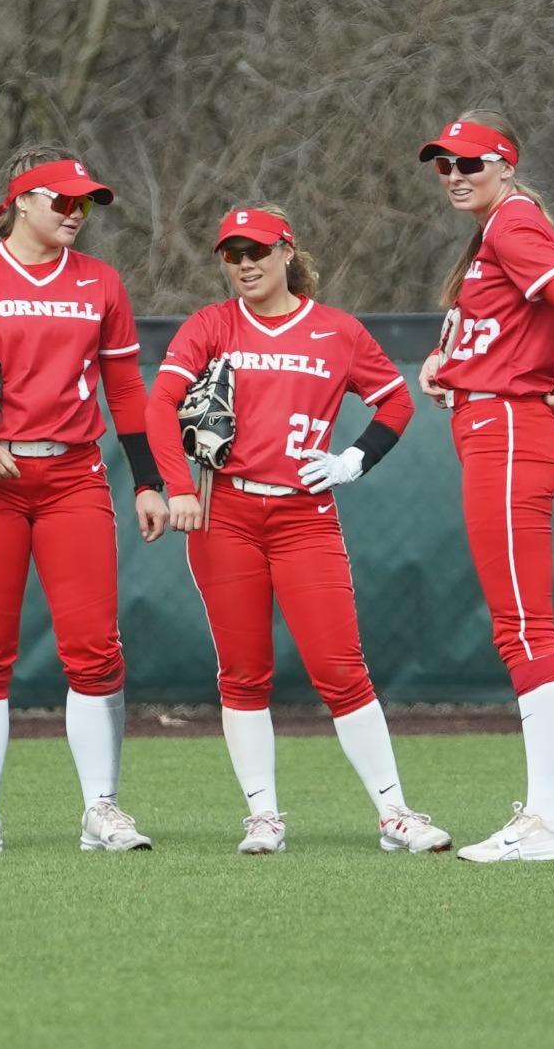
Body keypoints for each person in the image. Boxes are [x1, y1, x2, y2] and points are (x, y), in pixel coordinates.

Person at [0, 144, 170, 855]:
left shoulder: (101, 282)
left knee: (95, 649)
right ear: (21, 201)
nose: (76, 213)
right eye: (62, 201)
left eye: (85, 203)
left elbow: (127, 390)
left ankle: (101, 806)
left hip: (73, 477)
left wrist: (147, 479)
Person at [145, 204, 453, 855]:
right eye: (232, 254)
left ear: (288, 251)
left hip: (303, 516)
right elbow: (159, 403)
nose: (245, 264)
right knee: (244, 671)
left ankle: (395, 811)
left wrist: (353, 459)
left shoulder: (335, 331)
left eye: (257, 249)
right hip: (224, 513)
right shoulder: (212, 324)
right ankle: (263, 815)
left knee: (340, 667)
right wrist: (177, 487)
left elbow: (395, 400)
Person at [413, 111, 554, 863]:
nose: (455, 175)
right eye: (444, 165)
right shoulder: (496, 232)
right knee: (535, 628)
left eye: (470, 162)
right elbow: (500, 331)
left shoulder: (511, 222)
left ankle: (546, 821)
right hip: (494, 426)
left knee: (521, 629)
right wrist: (449, 364)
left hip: (507, 432)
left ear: (505, 164)